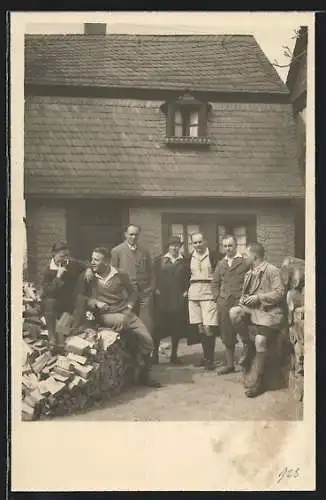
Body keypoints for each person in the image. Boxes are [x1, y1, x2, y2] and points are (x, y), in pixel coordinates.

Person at [72, 246, 162, 388]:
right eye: (92, 259)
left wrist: (129, 307)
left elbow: (133, 293)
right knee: (121, 322)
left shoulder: (120, 275)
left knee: (148, 340)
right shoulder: (88, 276)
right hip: (105, 315)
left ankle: (144, 375)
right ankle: (135, 362)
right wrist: (95, 302)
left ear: (107, 262)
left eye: (96, 260)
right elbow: (82, 297)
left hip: (125, 313)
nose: (92, 262)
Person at [229, 243, 286, 398]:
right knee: (234, 312)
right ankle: (247, 342)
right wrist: (244, 299)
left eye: (246, 255)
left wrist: (259, 297)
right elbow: (246, 294)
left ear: (254, 256)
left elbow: (280, 293)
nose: (244, 258)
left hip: (270, 313)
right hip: (255, 312)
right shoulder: (250, 273)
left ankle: (258, 383)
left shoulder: (272, 270)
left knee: (260, 340)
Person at [41, 241, 92, 352]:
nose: (63, 259)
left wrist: (88, 269)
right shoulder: (47, 270)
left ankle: (71, 335)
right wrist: (58, 277)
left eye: (66, 256)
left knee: (81, 300)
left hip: (68, 301)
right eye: (61, 256)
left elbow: (86, 263)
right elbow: (48, 291)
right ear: (53, 254)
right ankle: (52, 337)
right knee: (49, 301)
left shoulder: (71, 263)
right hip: (54, 302)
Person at [211, 235, 250, 375]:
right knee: (227, 334)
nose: (228, 248)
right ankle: (229, 364)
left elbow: (251, 281)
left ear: (236, 246)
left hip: (240, 303)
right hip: (224, 303)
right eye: (225, 246)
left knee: (246, 332)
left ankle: (248, 362)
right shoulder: (221, 264)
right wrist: (217, 298)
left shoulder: (245, 262)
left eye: (230, 245)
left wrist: (246, 298)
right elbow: (214, 283)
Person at [111, 225, 154, 335]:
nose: (134, 237)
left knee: (144, 323)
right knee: (127, 320)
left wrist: (150, 288)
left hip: (143, 293)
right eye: (131, 234)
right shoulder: (117, 251)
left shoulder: (144, 251)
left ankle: (143, 348)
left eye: (136, 234)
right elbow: (113, 273)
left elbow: (151, 271)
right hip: (127, 293)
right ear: (125, 234)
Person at [152, 236, 189, 365]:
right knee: (158, 327)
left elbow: (189, 277)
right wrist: (155, 288)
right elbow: (153, 276)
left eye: (177, 245)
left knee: (176, 327)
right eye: (172, 245)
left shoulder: (184, 261)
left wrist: (186, 291)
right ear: (168, 247)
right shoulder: (160, 260)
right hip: (162, 298)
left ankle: (174, 354)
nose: (174, 247)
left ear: (180, 247)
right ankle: (155, 354)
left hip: (177, 298)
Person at [186, 232, 220, 370]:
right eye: (195, 243)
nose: (198, 245)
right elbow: (185, 274)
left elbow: (219, 275)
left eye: (200, 242)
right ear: (192, 244)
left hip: (208, 294)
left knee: (208, 327)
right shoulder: (189, 257)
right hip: (193, 294)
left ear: (205, 241)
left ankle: (210, 360)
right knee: (199, 327)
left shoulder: (214, 256)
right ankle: (206, 357)